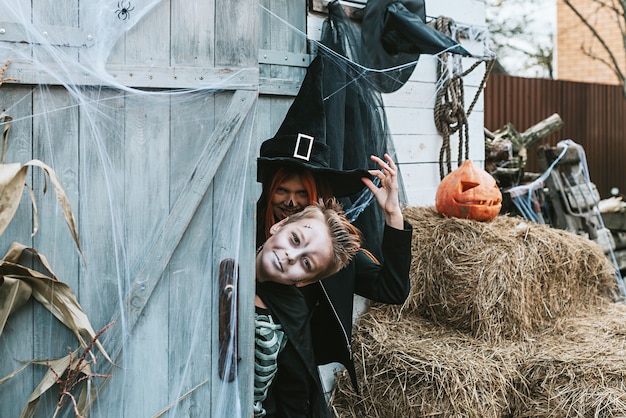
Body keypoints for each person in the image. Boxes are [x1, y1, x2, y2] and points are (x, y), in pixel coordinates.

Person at [254, 199, 361, 418]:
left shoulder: (289, 317)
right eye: (294, 239)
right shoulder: (225, 247)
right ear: (279, 225)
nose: (291, 256)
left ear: (305, 282)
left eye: (306, 263)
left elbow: (293, 394)